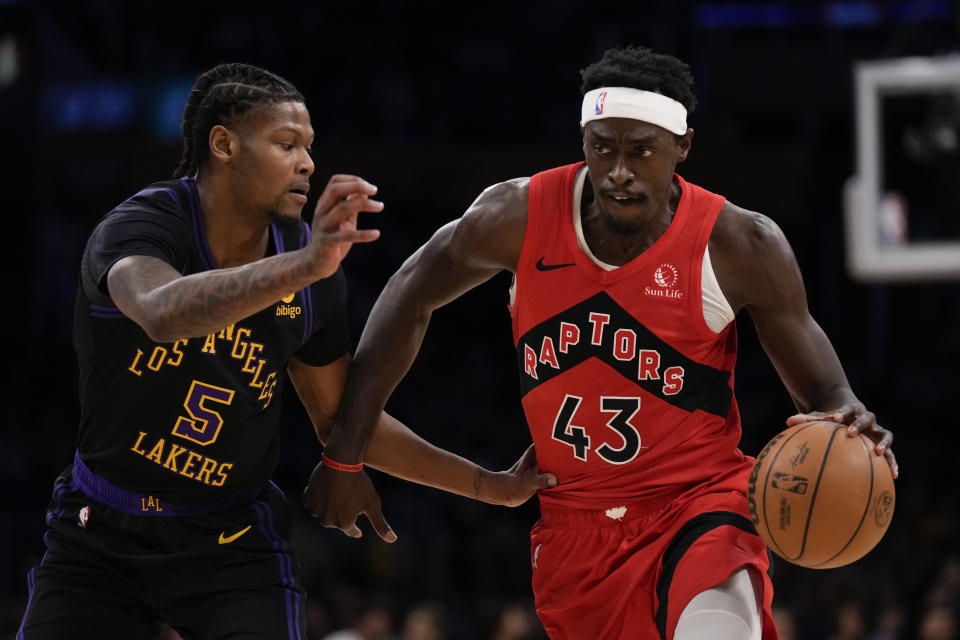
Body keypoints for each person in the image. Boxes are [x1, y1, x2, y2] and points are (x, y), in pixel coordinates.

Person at [307, 46, 899, 640]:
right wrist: (346, 450)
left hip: (698, 503)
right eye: (602, 148)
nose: (619, 171)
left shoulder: (739, 244)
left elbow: (824, 391)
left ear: (682, 147)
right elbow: (410, 292)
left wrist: (848, 414)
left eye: (641, 150)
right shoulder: (516, 215)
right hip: (576, 529)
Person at [18, 62, 554, 640]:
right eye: (286, 144)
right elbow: (161, 313)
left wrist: (486, 484)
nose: (307, 163)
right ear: (223, 144)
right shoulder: (143, 225)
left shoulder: (310, 263)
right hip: (99, 536)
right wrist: (302, 266)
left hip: (229, 543)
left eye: (309, 147)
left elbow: (341, 418)